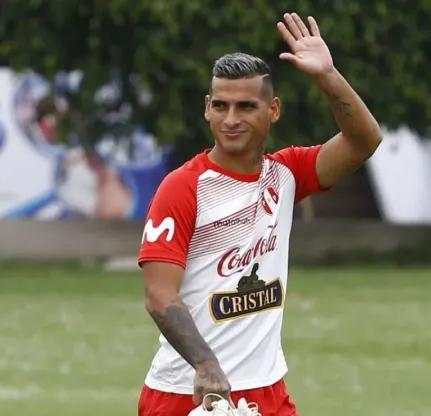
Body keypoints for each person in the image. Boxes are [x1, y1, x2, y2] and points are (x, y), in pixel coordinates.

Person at [137, 12, 383, 416]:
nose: (231, 119)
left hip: (267, 392)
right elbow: (159, 293)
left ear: (274, 110)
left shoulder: (286, 174)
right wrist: (206, 364)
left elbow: (364, 139)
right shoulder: (182, 187)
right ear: (207, 109)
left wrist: (327, 75)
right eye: (221, 106)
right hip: (187, 392)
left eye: (246, 106)